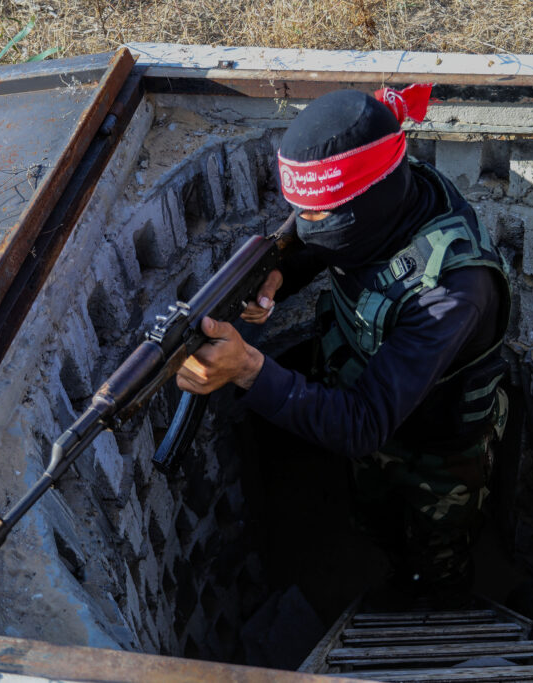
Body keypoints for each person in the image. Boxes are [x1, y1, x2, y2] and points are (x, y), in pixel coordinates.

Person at [175, 85, 510, 603]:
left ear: (367, 206)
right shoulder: (392, 195)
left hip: (440, 450)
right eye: (301, 212)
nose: (304, 227)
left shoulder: (452, 290)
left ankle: (435, 605)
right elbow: (320, 238)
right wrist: (279, 273)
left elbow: (362, 424)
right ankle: (394, 570)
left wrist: (248, 369)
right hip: (363, 410)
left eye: (320, 216)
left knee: (438, 551)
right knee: (373, 518)